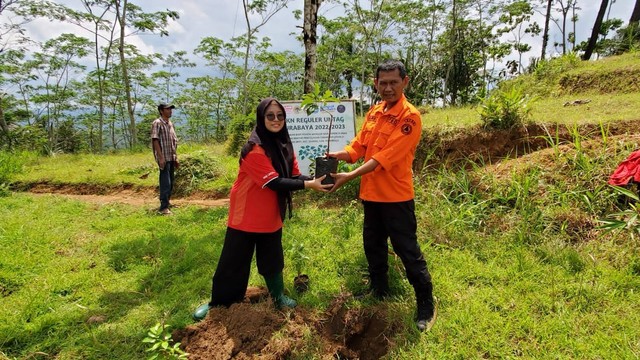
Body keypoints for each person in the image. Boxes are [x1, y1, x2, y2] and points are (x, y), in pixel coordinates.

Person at [193, 98, 332, 321]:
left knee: (272, 256)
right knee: (234, 261)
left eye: (280, 116)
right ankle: (218, 304)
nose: (276, 120)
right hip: (246, 214)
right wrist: (309, 185)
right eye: (270, 116)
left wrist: (319, 179)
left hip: (271, 213)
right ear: (261, 118)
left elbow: (293, 176)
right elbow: (273, 182)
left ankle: (278, 296)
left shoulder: (285, 144)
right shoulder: (254, 149)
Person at [327, 59, 436, 332]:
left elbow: (383, 158)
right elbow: (359, 146)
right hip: (372, 196)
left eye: (393, 83)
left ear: (405, 82)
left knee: (407, 250)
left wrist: (348, 177)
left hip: (397, 198)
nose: (388, 88)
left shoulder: (410, 116)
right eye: (383, 83)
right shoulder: (375, 112)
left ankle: (426, 303)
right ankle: (379, 289)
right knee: (372, 245)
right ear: (375, 83)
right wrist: (338, 156)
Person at [151, 103, 179, 215]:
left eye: (170, 109)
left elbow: (173, 142)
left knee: (171, 181)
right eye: (167, 109)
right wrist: (161, 157)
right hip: (164, 157)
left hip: (171, 157)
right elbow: (155, 140)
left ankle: (167, 203)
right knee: (165, 182)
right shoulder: (157, 123)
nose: (170, 111)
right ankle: (163, 208)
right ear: (161, 111)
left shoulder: (170, 124)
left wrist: (175, 157)